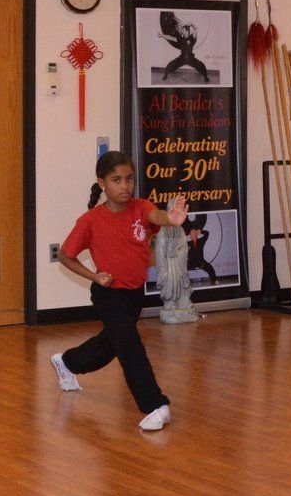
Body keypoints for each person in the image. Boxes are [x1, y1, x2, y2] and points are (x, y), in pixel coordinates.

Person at [50, 150, 189, 432]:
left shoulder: (140, 207)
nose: (125, 186)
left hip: (134, 293)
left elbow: (156, 215)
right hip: (108, 292)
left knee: (108, 346)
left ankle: (66, 361)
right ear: (102, 183)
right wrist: (93, 275)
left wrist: (171, 218)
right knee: (129, 346)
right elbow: (65, 255)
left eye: (129, 179)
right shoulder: (90, 220)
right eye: (116, 180)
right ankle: (155, 405)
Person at [158, 10, 210, 82]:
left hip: (191, 58)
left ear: (187, 31)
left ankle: (205, 76)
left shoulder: (192, 38)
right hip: (182, 58)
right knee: (171, 65)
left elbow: (196, 29)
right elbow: (170, 37)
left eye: (183, 30)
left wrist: (191, 23)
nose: (182, 31)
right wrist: (162, 35)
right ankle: (166, 75)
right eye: (182, 30)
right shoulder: (180, 39)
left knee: (201, 66)